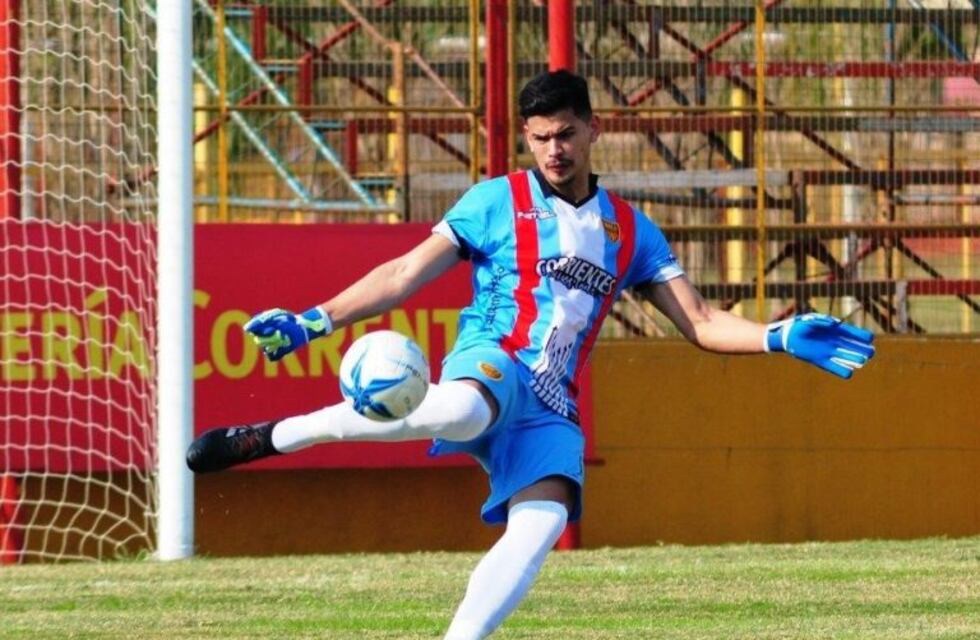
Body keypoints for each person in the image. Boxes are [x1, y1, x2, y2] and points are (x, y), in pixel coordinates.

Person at [186, 70, 875, 639]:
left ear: (592, 129)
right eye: (541, 137)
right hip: (496, 359)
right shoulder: (495, 201)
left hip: (553, 407)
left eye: (567, 134)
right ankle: (275, 435)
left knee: (542, 523)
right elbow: (403, 273)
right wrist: (315, 320)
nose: (555, 150)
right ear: (527, 137)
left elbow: (698, 321)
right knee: (455, 405)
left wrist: (775, 335)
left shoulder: (631, 232)